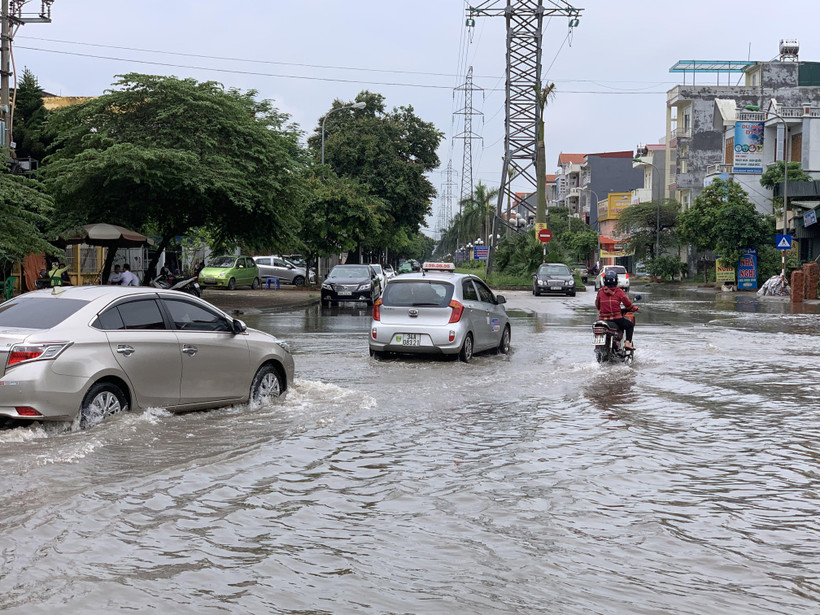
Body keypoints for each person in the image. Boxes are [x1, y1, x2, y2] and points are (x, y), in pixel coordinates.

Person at [595, 269, 638, 350]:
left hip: (602, 319)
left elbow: (597, 305)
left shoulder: (600, 291)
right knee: (629, 326)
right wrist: (634, 308)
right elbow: (628, 305)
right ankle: (627, 343)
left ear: (604, 281)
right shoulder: (619, 292)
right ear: (616, 281)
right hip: (616, 319)